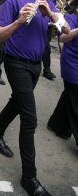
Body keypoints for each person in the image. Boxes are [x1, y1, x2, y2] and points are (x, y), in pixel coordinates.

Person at [0, 0, 70, 196]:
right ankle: (29, 177)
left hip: (36, 65)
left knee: (17, 102)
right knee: (29, 118)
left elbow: (65, 30)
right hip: (16, 64)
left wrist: (50, 14)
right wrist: (18, 22)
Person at [47, 11, 78, 146]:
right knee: (76, 102)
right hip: (72, 64)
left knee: (69, 96)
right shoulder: (73, 16)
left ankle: (56, 125)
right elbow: (63, 38)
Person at [41, 0, 57, 80]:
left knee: (45, 48)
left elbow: (54, 10)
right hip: (44, 27)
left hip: (50, 27)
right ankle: (47, 71)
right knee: (47, 49)